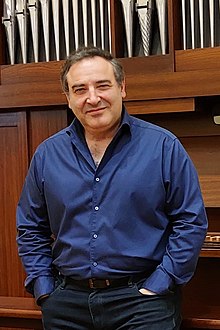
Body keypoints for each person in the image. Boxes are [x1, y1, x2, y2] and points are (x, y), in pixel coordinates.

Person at [16, 46, 208, 330]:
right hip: (66, 303)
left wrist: (162, 280)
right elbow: (31, 226)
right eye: (80, 90)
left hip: (142, 302)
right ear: (68, 98)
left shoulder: (163, 146)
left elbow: (190, 221)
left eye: (102, 86)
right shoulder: (47, 154)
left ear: (122, 87)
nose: (92, 98)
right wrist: (44, 287)